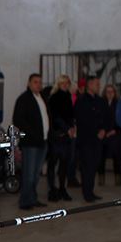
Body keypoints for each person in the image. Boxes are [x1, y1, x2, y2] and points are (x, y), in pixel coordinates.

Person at [13, 74, 51, 210]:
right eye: (35, 82)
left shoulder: (42, 98)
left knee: (36, 174)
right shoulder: (24, 99)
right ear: (29, 83)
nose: (38, 85)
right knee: (29, 174)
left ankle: (32, 198)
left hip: (43, 141)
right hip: (30, 143)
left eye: (40, 82)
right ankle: (25, 201)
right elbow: (18, 120)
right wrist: (33, 134)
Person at [74, 76, 109, 202]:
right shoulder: (81, 101)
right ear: (89, 85)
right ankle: (87, 193)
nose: (99, 86)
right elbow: (82, 120)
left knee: (94, 165)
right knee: (87, 166)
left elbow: (106, 117)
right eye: (96, 84)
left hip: (98, 139)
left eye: (99, 84)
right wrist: (96, 132)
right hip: (86, 139)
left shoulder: (100, 101)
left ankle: (91, 191)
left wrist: (104, 129)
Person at [46, 74, 75, 202]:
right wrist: (67, 128)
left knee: (64, 165)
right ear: (58, 84)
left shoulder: (68, 96)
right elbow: (55, 117)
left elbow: (70, 115)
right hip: (56, 136)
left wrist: (72, 127)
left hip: (66, 136)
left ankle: (62, 189)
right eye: (63, 83)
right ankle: (52, 190)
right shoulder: (54, 97)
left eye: (67, 83)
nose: (65, 85)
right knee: (52, 164)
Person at [99, 84, 121, 187]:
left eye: (111, 91)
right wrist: (102, 130)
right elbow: (98, 119)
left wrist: (115, 130)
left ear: (114, 93)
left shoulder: (119, 104)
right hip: (103, 134)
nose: (109, 93)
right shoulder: (101, 103)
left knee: (117, 157)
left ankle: (118, 180)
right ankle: (101, 179)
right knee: (101, 157)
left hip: (115, 134)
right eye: (107, 91)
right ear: (104, 93)